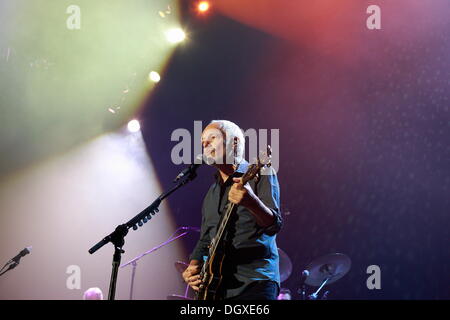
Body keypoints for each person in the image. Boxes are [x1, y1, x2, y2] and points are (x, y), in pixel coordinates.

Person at [182, 120, 283, 300]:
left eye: (212, 138)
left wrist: (252, 202)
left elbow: (273, 225)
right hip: (217, 287)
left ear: (234, 142)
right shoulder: (211, 194)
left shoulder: (262, 173)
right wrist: (193, 266)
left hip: (254, 282)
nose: (204, 144)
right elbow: (206, 237)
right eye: (202, 141)